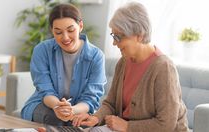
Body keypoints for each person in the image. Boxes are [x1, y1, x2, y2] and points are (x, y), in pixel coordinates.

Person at [72, 2, 189, 132]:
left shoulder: (163, 68)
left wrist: (127, 126)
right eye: (113, 36)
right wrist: (96, 117)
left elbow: (166, 124)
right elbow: (110, 104)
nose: (114, 43)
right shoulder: (123, 62)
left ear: (140, 35)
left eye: (118, 37)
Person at [21, 3, 107, 126]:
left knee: (81, 123)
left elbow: (91, 98)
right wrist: (58, 107)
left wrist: (72, 110)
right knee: (55, 119)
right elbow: (45, 90)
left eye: (70, 30)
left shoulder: (96, 56)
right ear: (52, 30)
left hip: (78, 108)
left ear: (80, 26)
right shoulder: (42, 50)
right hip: (46, 104)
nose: (65, 37)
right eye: (58, 32)